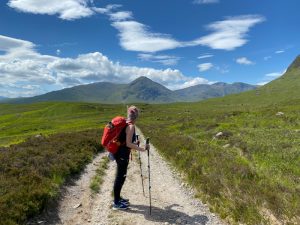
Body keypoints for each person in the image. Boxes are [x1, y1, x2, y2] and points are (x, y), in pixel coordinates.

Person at [112, 105, 149, 210]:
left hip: (119, 153)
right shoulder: (131, 126)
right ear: (136, 116)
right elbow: (128, 144)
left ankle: (118, 198)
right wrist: (142, 148)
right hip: (122, 155)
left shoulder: (125, 124)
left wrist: (134, 143)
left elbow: (125, 141)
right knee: (120, 177)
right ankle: (116, 203)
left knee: (121, 176)